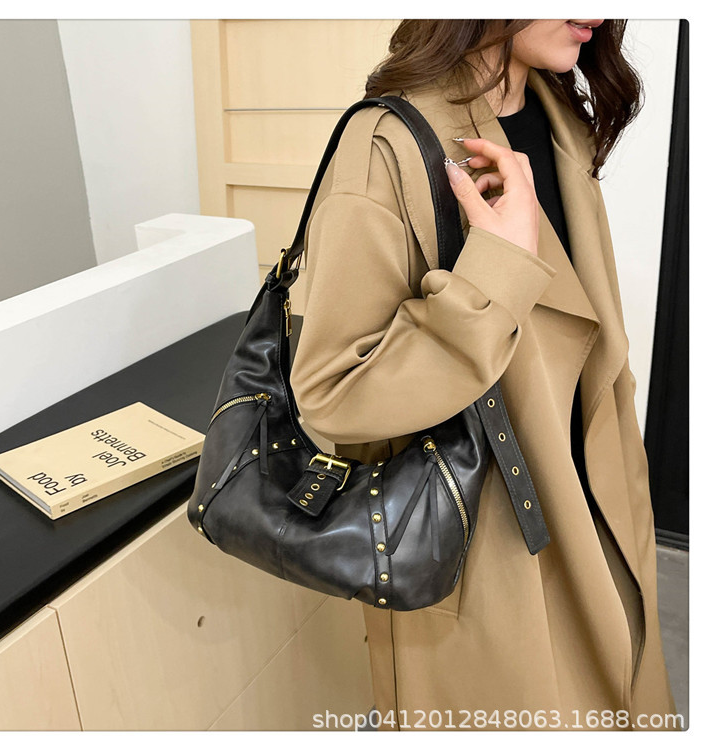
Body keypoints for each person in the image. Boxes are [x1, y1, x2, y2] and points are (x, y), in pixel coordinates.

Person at [289, 20, 679, 731]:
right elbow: (333, 395)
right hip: (491, 553)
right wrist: (493, 274)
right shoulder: (387, 144)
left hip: (599, 511)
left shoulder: (559, 116)